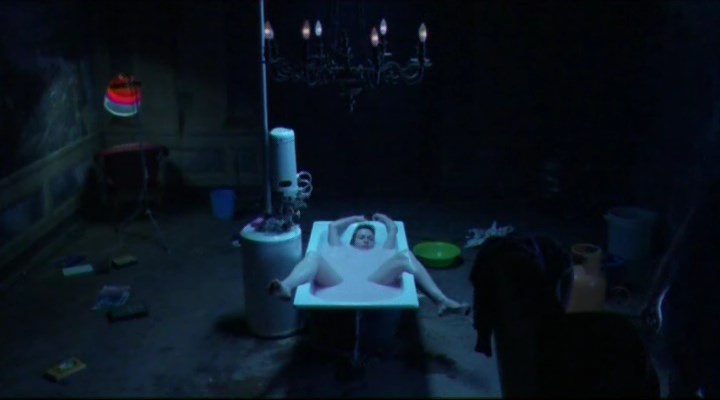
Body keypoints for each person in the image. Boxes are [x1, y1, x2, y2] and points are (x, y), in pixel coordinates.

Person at [268, 213, 470, 316]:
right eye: (362, 237)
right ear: (353, 239)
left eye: (370, 238)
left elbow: (392, 229)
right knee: (313, 256)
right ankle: (287, 285)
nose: (366, 240)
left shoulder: (383, 249)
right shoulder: (338, 246)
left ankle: (441, 300)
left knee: (405, 256)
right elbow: (333, 226)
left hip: (375, 279)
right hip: (337, 280)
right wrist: (356, 219)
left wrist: (383, 219)